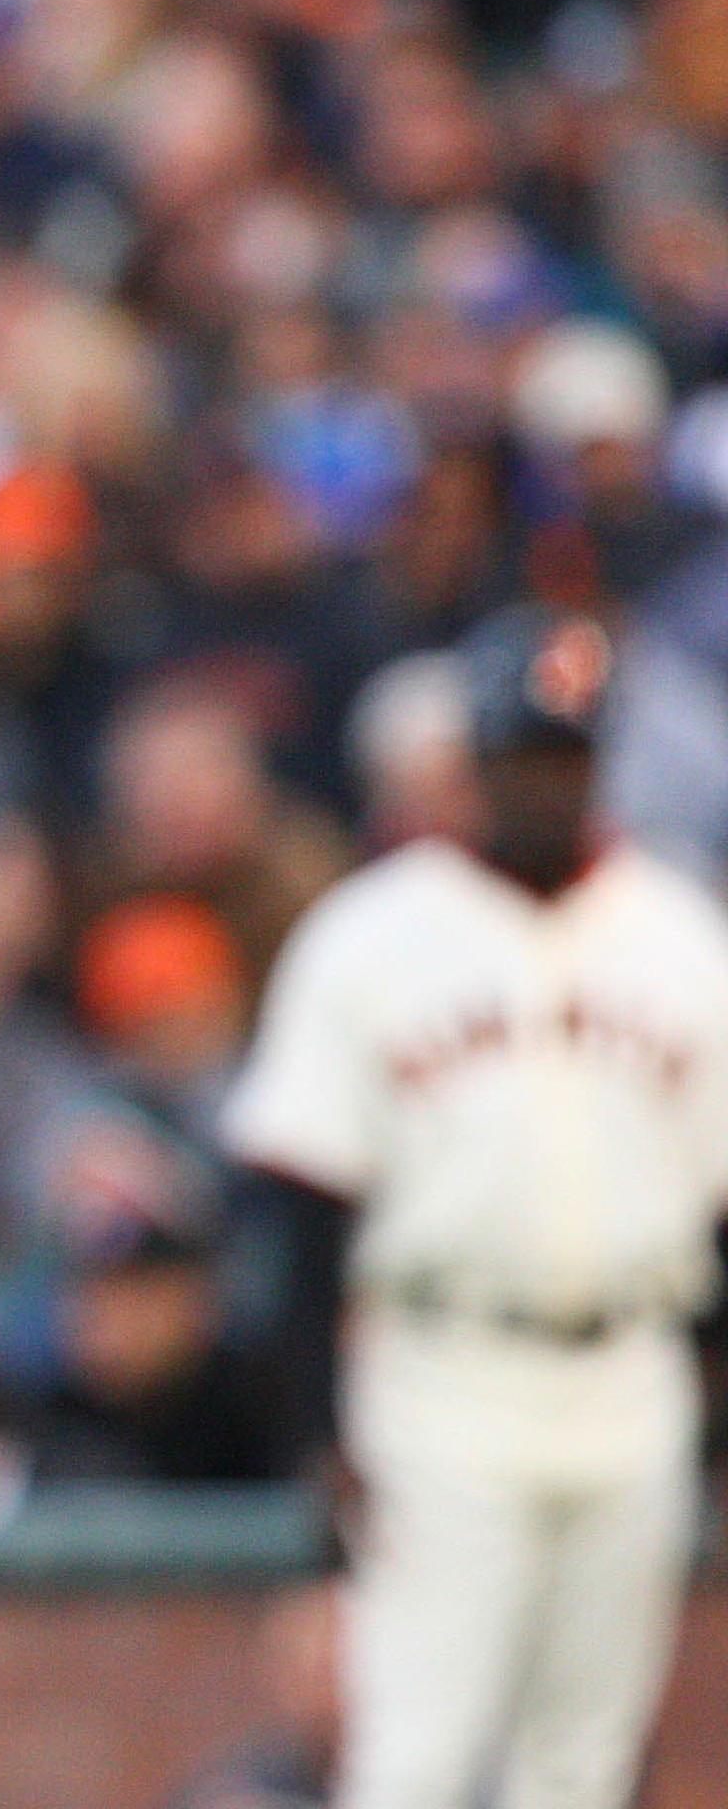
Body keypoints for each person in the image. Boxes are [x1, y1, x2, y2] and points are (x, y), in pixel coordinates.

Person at [219, 606, 728, 1809]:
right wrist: (314, 1429)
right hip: (442, 1376)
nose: (545, 785)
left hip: (632, 1371)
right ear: (477, 766)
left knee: (583, 1767)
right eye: (522, 759)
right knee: (416, 1758)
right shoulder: (372, 932)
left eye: (567, 758)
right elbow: (303, 1206)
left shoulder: (682, 936)